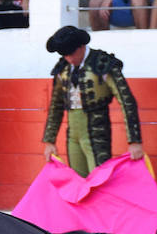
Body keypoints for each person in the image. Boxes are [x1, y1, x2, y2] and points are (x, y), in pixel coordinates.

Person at [41, 25, 143, 178]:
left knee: (99, 180)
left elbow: (126, 100)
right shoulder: (63, 68)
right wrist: (49, 141)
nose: (69, 59)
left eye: (71, 53)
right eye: (65, 55)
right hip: (73, 132)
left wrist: (134, 141)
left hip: (97, 131)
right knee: (78, 180)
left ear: (82, 46)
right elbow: (56, 105)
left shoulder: (103, 63)